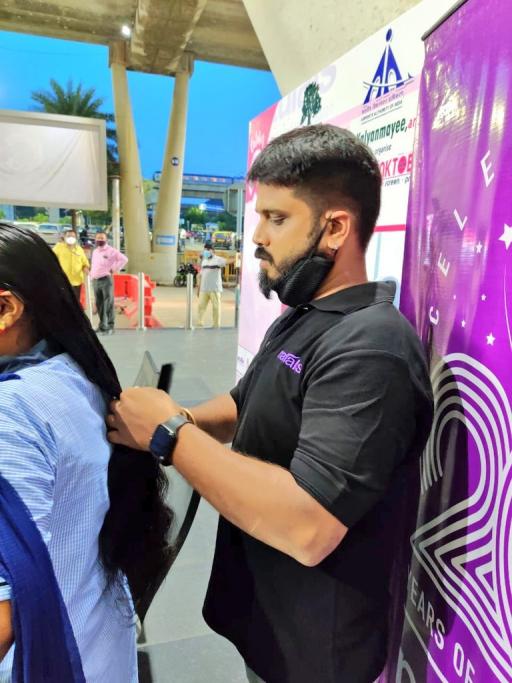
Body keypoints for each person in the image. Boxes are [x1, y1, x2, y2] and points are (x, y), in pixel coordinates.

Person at [107, 125, 434, 683]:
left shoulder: (372, 347)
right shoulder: (306, 315)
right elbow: (247, 401)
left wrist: (168, 435)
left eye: (276, 218)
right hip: (266, 616)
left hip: (313, 649)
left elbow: (309, 525)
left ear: (335, 228)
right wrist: (181, 418)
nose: (256, 236)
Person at [0, 223, 173, 681]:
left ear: (6, 308)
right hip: (101, 642)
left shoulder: (10, 414)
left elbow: (6, 615)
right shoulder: (73, 369)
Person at [90, 232, 127, 335]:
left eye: (102, 238)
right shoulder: (95, 251)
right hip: (95, 280)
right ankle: (102, 326)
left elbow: (124, 259)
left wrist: (114, 268)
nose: (100, 240)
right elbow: (94, 265)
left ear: (106, 239)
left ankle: (110, 326)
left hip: (106, 280)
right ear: (95, 239)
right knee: (100, 304)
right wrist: (92, 276)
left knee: (108, 304)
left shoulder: (111, 251)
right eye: (98, 238)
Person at [52, 228, 90, 300]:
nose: (71, 238)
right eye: (68, 236)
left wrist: (86, 268)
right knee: (63, 302)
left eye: (73, 236)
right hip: (63, 282)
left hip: (77, 282)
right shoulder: (58, 248)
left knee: (75, 301)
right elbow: (51, 260)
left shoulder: (79, 249)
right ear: (64, 237)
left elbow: (85, 263)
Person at [196, 241, 226, 328]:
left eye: (207, 250)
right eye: (205, 250)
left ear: (212, 250)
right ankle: (200, 323)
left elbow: (227, 262)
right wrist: (198, 288)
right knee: (200, 306)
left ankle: (216, 325)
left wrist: (238, 257)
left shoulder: (218, 259)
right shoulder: (204, 261)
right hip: (204, 289)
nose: (205, 251)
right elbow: (201, 275)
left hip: (214, 289)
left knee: (216, 308)